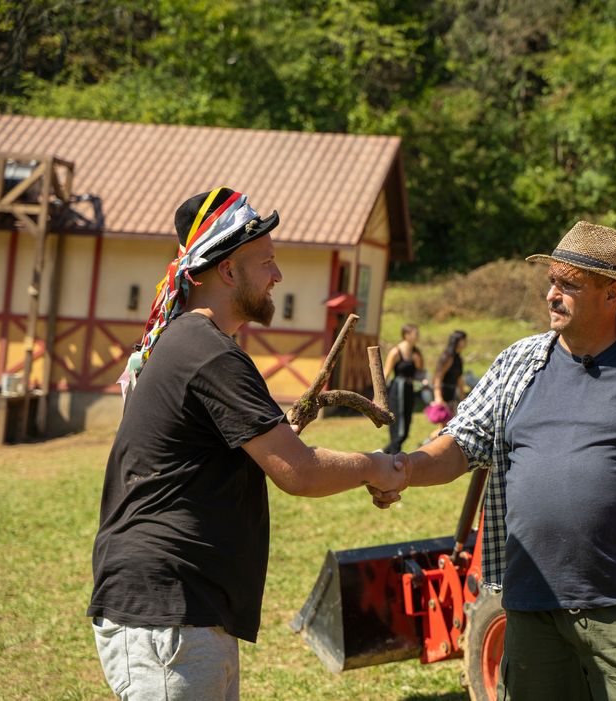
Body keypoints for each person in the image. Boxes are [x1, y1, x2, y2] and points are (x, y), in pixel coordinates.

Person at [379, 221, 616, 701]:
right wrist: (406, 467)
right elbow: (462, 441)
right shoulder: (517, 363)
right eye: (551, 282)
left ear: (611, 294)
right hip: (532, 605)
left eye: (569, 285)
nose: (552, 295)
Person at [87, 187, 408, 701]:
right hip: (171, 609)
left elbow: (237, 454)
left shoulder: (194, 343)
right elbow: (298, 472)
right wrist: (373, 466)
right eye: (267, 262)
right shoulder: (209, 351)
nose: (277, 276)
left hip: (183, 607)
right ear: (228, 272)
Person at [383, 323, 424, 453]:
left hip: (409, 389)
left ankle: (383, 453)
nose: (417, 336)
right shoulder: (396, 352)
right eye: (415, 333)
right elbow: (385, 374)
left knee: (405, 428)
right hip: (397, 390)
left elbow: (420, 371)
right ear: (406, 335)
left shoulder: (416, 353)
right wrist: (378, 395)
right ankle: (393, 457)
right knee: (398, 426)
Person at [427, 329, 467, 438]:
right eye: (463, 340)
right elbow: (438, 377)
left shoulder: (458, 358)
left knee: (449, 425)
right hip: (443, 393)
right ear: (456, 341)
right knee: (444, 427)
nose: (465, 342)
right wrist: (438, 397)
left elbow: (459, 378)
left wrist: (463, 397)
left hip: (452, 393)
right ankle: (427, 444)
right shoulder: (448, 357)